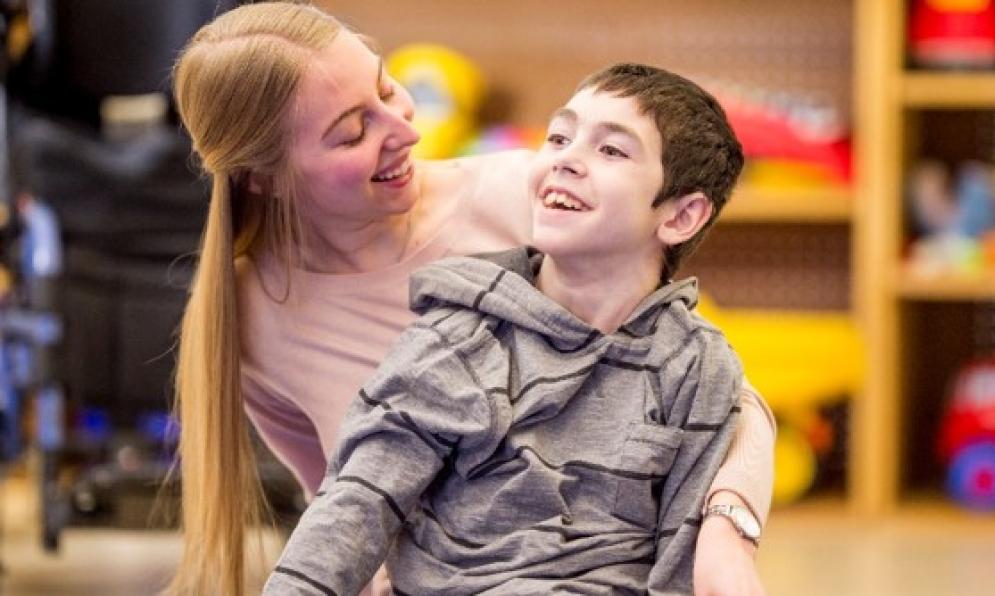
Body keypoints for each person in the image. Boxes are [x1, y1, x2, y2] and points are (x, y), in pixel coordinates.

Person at [169, 3, 775, 595]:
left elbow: (717, 393)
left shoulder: (537, 197)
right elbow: (345, 500)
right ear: (262, 175)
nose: (407, 130)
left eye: (388, 91)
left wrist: (725, 527)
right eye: (353, 131)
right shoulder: (251, 314)